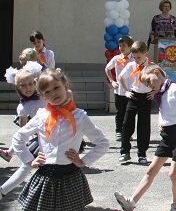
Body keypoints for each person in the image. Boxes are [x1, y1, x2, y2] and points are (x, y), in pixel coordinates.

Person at [11, 68, 109, 211]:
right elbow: (18, 137)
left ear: (65, 86)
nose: (53, 93)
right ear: (43, 96)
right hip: (45, 176)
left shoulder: (79, 116)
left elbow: (103, 142)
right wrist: (29, 160)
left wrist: (84, 161)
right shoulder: (42, 116)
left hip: (70, 177)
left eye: (56, 88)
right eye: (47, 92)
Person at [114, 65, 176, 211]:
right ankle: (131, 202)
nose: (149, 86)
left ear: (157, 73)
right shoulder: (160, 92)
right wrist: (160, 122)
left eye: (149, 81)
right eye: (146, 84)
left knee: (173, 173)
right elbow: (164, 109)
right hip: (167, 135)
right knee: (151, 170)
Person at [0, 65, 44, 197]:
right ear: (18, 87)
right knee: (26, 166)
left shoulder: (44, 95)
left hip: (58, 133)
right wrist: (26, 143)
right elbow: (22, 129)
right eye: (23, 85)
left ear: (35, 83)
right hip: (41, 138)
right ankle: (2, 191)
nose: (28, 88)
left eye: (30, 84)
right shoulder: (22, 107)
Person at [118, 40, 154, 165]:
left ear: (145, 53)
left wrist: (155, 92)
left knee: (144, 126)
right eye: (134, 57)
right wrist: (126, 91)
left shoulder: (152, 66)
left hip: (146, 97)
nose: (136, 60)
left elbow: (163, 80)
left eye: (139, 57)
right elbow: (121, 77)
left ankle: (142, 153)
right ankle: (125, 152)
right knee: (127, 123)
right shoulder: (131, 65)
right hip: (134, 96)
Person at [105, 35, 135, 142]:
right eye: (120, 45)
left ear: (130, 47)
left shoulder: (135, 58)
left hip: (132, 91)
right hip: (119, 91)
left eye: (124, 46)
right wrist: (112, 81)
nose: (121, 48)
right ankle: (119, 131)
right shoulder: (116, 58)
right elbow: (107, 69)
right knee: (120, 112)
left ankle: (128, 133)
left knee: (130, 113)